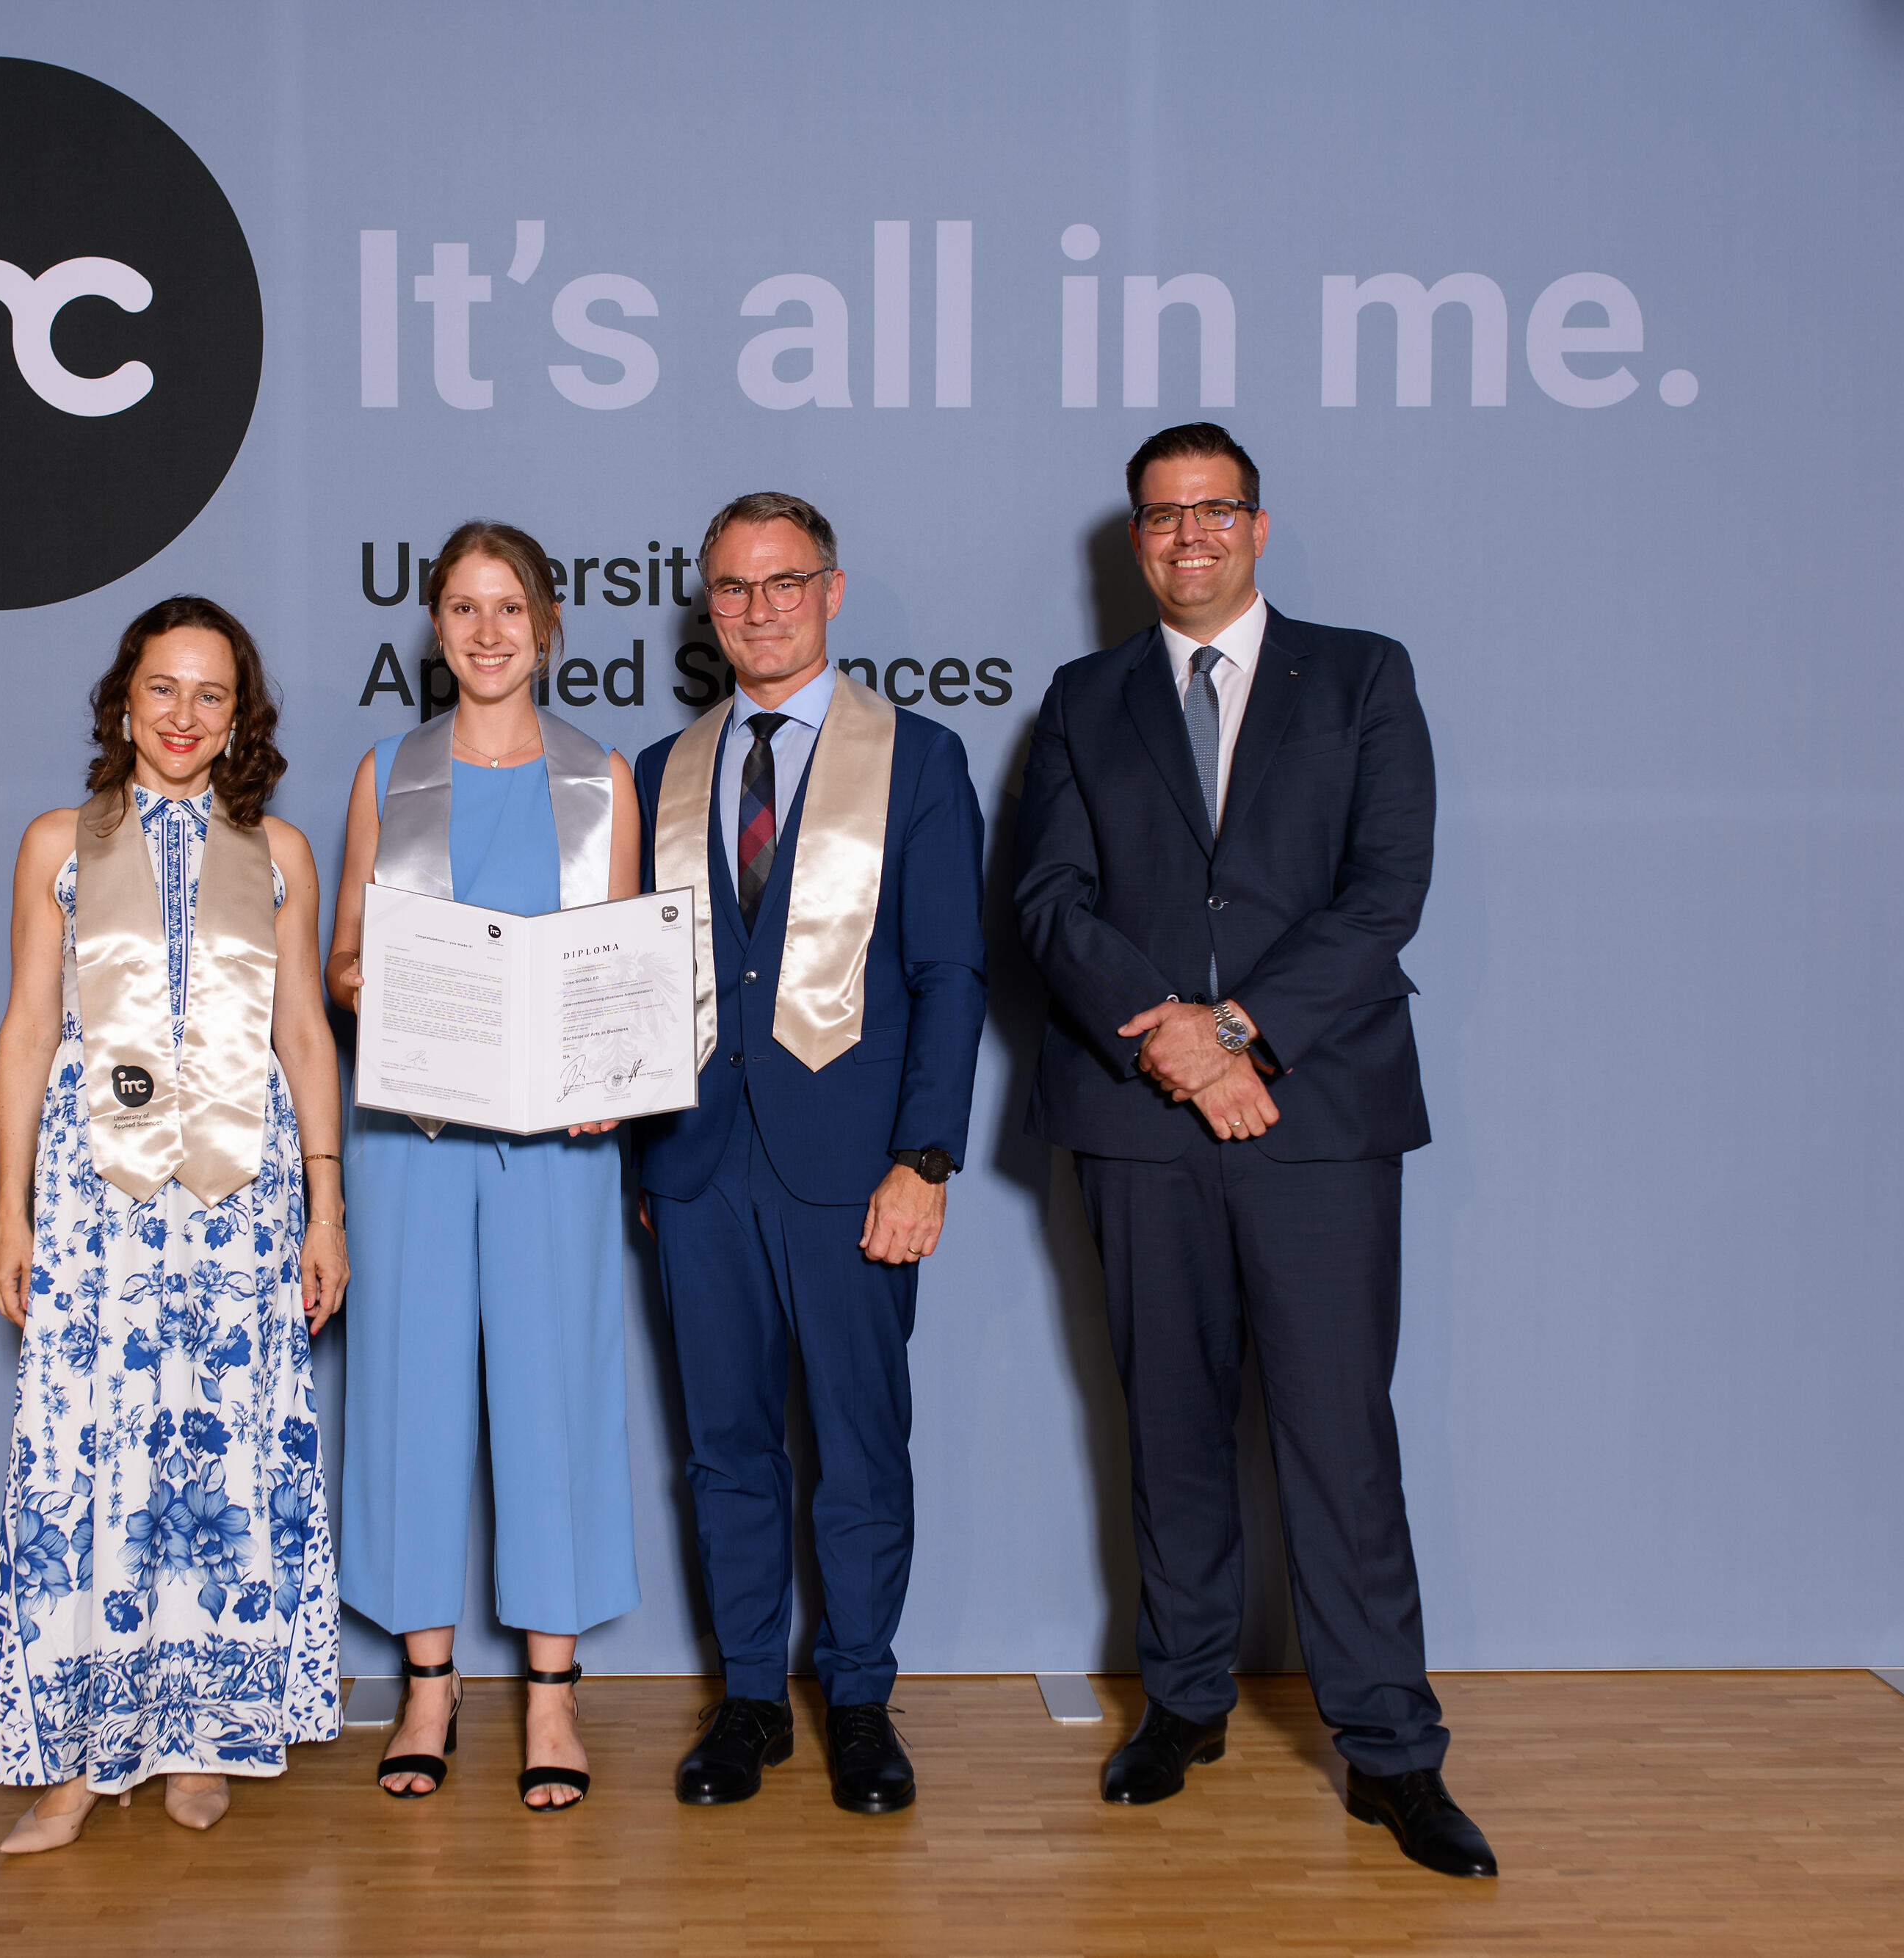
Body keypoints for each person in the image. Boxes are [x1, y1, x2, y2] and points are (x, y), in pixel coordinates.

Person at [1012, 424, 1494, 1877]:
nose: (1190, 536)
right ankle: (1184, 1701)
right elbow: (1048, 902)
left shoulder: (1361, 676)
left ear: (1259, 526)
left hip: (1318, 1116)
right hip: (1137, 1121)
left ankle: (1391, 1750)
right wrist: (1170, 1047)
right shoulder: (1082, 698)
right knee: (1169, 1428)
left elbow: (1384, 891)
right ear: (1134, 539)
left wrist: (1234, 1033)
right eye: (1163, 515)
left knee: (1338, 1440)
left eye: (1214, 509)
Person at [0, 595, 349, 1854]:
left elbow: (305, 1035)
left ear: (239, 718)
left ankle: (202, 1738)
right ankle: (82, 1758)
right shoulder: (57, 844)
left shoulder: (280, 853)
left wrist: (327, 1206)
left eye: (211, 695)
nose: (185, 715)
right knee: (95, 1457)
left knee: (221, 1457)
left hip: (243, 1207)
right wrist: (11, 1208)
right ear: (124, 702)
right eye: (163, 689)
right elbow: (30, 1029)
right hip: (99, 1205)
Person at [634, 493, 987, 1815]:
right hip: (698, 1162)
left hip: (854, 1164)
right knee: (725, 1446)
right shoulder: (664, 768)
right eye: (734, 588)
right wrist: (647, 1155)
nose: (760, 609)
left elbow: (951, 974)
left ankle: (858, 1697)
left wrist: (926, 1159)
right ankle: (746, 1699)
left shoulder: (918, 758)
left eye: (785, 583)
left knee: (858, 1440)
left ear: (831, 592)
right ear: (709, 607)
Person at [327, 521, 643, 1812]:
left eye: (510, 606)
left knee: (553, 1390)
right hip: (412, 1133)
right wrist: (391, 984)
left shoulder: (601, 779)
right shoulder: (388, 773)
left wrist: (604, 1076)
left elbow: (619, 969)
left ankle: (552, 1699)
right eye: (464, 607)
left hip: (555, 1145)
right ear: (437, 627)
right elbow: (343, 959)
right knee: (407, 1390)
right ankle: (428, 1684)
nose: (488, 631)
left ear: (548, 623)